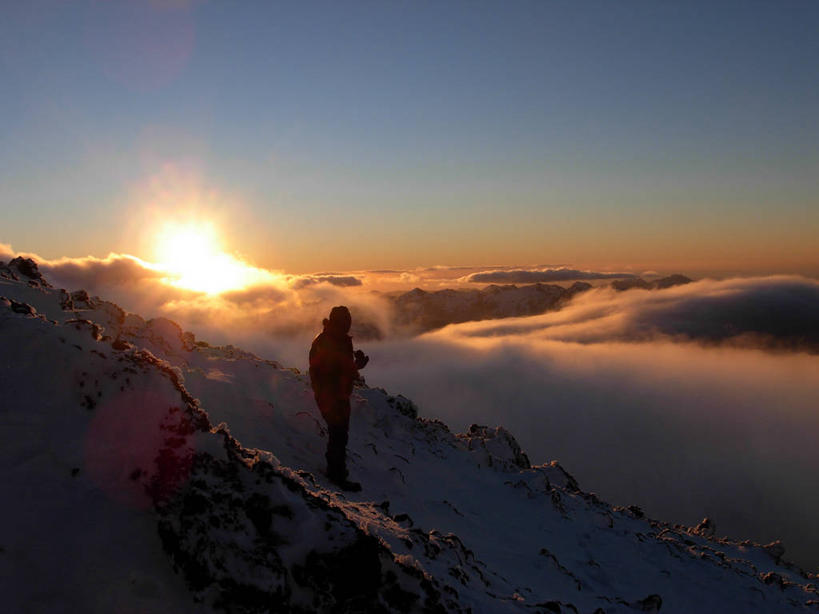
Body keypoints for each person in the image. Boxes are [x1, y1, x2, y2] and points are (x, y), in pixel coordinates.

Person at [309, 305, 369, 491]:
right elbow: (333, 371)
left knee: (339, 434)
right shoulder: (330, 341)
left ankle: (336, 471)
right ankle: (336, 475)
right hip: (332, 395)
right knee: (338, 434)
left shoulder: (335, 339)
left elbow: (340, 368)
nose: (348, 324)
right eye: (345, 321)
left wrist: (356, 365)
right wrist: (356, 366)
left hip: (336, 394)